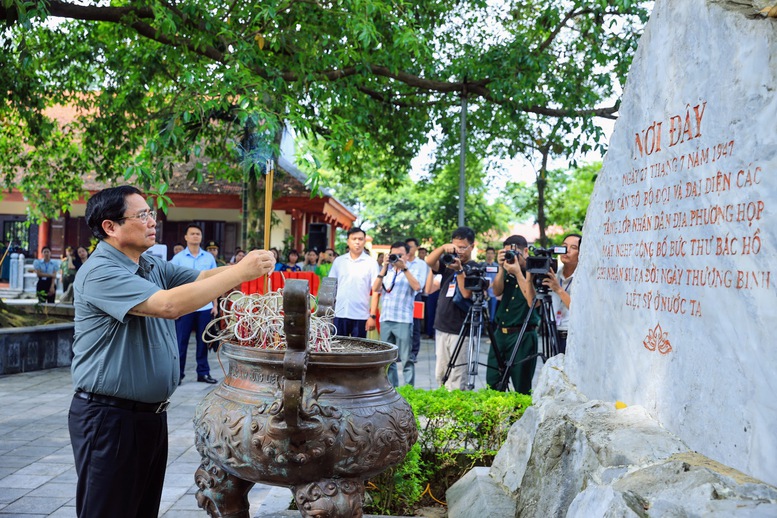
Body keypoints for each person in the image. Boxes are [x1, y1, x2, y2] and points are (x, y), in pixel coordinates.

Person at [68, 185, 275, 517]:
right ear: (110, 227)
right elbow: (168, 305)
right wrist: (241, 271)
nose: (153, 221)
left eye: (151, 213)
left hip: (149, 416)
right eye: (142, 215)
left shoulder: (151, 265)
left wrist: (251, 262)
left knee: (141, 510)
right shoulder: (100, 272)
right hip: (110, 418)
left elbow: (204, 277)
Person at [425, 226, 478, 390]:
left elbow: (466, 294)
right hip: (442, 326)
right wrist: (442, 248)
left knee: (457, 376)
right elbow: (429, 262)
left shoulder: (474, 267)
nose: (459, 251)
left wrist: (460, 270)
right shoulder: (449, 262)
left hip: (461, 328)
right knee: (441, 373)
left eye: (463, 247)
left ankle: (455, 413)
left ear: (472, 246)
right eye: (456, 246)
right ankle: (443, 411)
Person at [487, 235, 538, 393]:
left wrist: (518, 273)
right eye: (507, 253)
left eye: (514, 253)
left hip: (523, 335)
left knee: (521, 385)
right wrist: (502, 267)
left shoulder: (535, 269)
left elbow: (533, 302)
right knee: (493, 382)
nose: (511, 257)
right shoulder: (506, 268)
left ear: (525, 251)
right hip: (500, 333)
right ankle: (496, 416)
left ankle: (520, 417)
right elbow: (496, 291)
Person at [170, 224, 219, 384]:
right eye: (192, 233)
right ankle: (178, 374)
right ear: (186, 237)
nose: (195, 236)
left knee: (203, 340)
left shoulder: (208, 258)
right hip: (184, 305)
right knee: (181, 341)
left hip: (204, 306)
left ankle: (203, 372)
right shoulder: (178, 258)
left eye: (198, 233)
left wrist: (215, 305)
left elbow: (214, 283)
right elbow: (171, 281)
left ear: (201, 237)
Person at [371, 242, 423, 387]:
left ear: (407, 255)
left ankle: (409, 390)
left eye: (400, 255)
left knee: (406, 358)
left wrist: (404, 268)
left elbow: (417, 287)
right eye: (394, 255)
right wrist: (384, 267)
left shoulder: (412, 270)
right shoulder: (386, 271)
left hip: (403, 319)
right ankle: (392, 389)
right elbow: (375, 288)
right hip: (386, 318)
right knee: (388, 359)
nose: (397, 258)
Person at [328, 227, 380, 338]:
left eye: (360, 239)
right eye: (354, 238)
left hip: (361, 315)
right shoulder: (339, 261)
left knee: (359, 351)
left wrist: (372, 316)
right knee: (338, 348)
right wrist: (329, 313)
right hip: (340, 313)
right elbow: (331, 287)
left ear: (364, 241)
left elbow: (376, 291)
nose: (357, 242)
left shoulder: (371, 263)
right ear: (348, 241)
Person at [538, 233, 581, 354]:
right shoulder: (554, 275)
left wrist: (558, 289)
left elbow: (579, 311)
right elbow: (533, 303)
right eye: (564, 246)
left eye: (573, 247)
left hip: (574, 336)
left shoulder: (584, 279)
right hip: (554, 333)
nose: (566, 250)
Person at [405, 237, 431, 363]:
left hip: (416, 296)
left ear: (416, 248)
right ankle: (402, 352)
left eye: (412, 246)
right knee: (403, 324)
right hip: (403, 297)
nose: (409, 249)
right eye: (407, 246)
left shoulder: (421, 264)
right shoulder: (401, 261)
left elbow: (420, 283)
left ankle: (414, 352)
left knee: (415, 326)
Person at [483, 247, 499, 322]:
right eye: (488, 253)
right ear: (486, 254)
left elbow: (498, 279)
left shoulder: (497, 266)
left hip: (493, 293)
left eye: (491, 253)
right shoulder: (482, 265)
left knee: (492, 316)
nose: (489, 255)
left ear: (494, 255)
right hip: (483, 293)